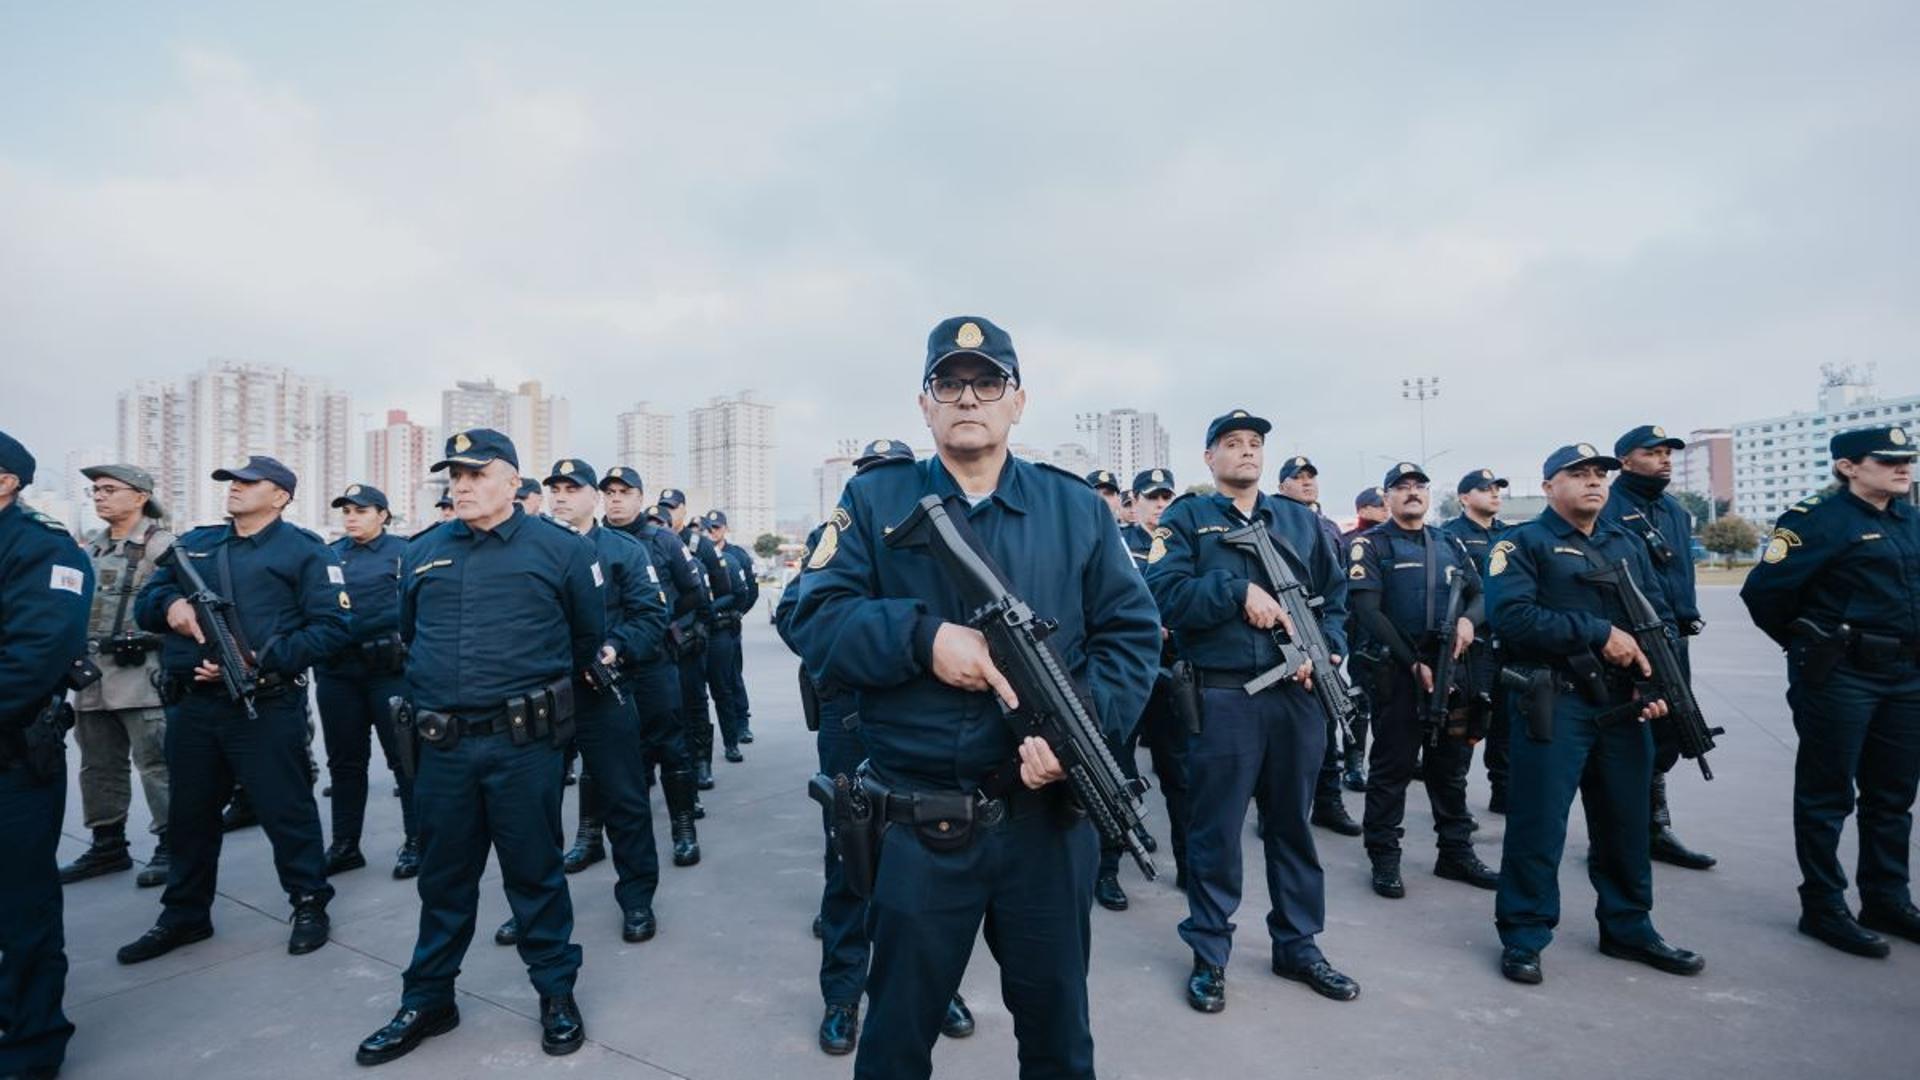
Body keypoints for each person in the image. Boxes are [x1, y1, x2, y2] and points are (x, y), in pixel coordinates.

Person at [788, 316, 1159, 1079]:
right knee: (894, 1045)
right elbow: (810, 614)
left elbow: (1133, 638)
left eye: (987, 382)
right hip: (923, 826)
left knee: (1059, 1040)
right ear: (924, 405)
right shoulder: (873, 499)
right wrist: (923, 639)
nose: (968, 398)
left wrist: (1076, 736)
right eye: (949, 383)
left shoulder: (1076, 509)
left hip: (1046, 827)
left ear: (1016, 401)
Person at [355, 429, 603, 1065]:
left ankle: (555, 993)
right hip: (442, 749)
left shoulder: (559, 550)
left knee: (535, 875)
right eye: (452, 476)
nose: (459, 485)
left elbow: (585, 639)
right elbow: (413, 634)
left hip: (523, 747)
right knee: (444, 880)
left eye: (474, 473)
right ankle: (430, 999)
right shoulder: (424, 551)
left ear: (512, 480)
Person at [1148, 410, 1361, 1014]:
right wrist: (1235, 592)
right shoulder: (1187, 519)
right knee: (1215, 830)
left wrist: (1326, 655)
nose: (1246, 453)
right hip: (1224, 695)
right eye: (1232, 445)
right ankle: (1210, 954)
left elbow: (1336, 601)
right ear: (1209, 458)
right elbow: (1162, 594)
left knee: (1293, 824)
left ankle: (1298, 944)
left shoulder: (1297, 520)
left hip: (1297, 696)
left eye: (1254, 445)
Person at [777, 438, 976, 1055]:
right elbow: (796, 616)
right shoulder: (832, 537)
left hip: (924, 724)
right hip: (852, 716)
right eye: (872, 474)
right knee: (853, 859)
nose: (883, 487)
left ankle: (937, 988)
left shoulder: (947, 540)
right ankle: (844, 991)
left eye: (893, 474)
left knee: (936, 863)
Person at [1488, 443, 1703, 986]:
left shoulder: (1623, 542)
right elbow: (1511, 619)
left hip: (1625, 706)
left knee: (1626, 824)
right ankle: (1524, 935)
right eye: (1578, 474)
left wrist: (1656, 685)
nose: (1592, 483)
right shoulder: (1521, 544)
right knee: (1539, 825)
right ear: (1547, 487)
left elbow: (1658, 623)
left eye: (1599, 475)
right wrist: (1598, 633)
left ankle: (1629, 927)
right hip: (1556, 702)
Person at [119, 455, 347, 965]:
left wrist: (256, 663)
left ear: (282, 496)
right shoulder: (194, 545)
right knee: (190, 817)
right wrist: (171, 609)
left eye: (250, 482)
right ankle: (184, 914)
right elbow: (148, 604)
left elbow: (331, 629)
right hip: (193, 707)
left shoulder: (303, 551)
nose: (236, 489)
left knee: (286, 811)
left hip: (263, 705)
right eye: (232, 481)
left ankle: (309, 902)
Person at [1740, 424, 1920, 957]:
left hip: (1905, 675)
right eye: (1887, 460)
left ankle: (1886, 897)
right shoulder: (1814, 520)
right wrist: (1810, 645)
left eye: (1906, 459)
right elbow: (1764, 594)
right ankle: (1823, 904)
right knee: (1827, 795)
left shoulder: (1908, 517)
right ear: (1847, 467)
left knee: (1892, 796)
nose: (1902, 467)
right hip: (1841, 675)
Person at [502, 458, 670, 946]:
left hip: (599, 690)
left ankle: (637, 897)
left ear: (592, 496)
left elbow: (649, 615)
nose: (560, 495)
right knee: (533, 808)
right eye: (554, 487)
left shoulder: (623, 550)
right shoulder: (525, 547)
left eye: (571, 488)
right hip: (539, 697)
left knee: (625, 797)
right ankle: (534, 909)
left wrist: (617, 647)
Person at [1347, 462, 1499, 898]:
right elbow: (1368, 612)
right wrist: (1413, 662)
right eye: (1402, 487)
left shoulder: (1448, 542)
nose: (1412, 492)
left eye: (1419, 486)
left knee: (1450, 770)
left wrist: (1470, 623)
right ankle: (1384, 857)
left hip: (1454, 671)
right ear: (1387, 497)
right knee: (1392, 770)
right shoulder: (1371, 546)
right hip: (1398, 674)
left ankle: (1455, 852)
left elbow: (1481, 593)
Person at [0, 430, 94, 1079]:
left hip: (11, 760)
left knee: (21, 906)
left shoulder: (44, 549)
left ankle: (32, 1042)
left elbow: (32, 660)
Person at [1601, 425, 1716, 871]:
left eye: (1668, 453)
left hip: (1674, 639)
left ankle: (1653, 828)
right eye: (1652, 453)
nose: (1664, 459)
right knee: (1627, 739)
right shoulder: (1609, 506)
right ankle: (1613, 834)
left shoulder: (1674, 510)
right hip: (1629, 643)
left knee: (1668, 733)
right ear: (1626, 460)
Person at [62, 463, 175, 887]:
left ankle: (172, 844)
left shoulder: (160, 545)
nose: (100, 496)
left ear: (140, 496)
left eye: (110, 489)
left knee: (157, 764)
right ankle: (107, 845)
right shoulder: (90, 547)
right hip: (92, 677)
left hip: (142, 673)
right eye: (95, 490)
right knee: (98, 765)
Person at [598, 465, 704, 861]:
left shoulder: (662, 540)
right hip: (609, 666)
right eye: (609, 493)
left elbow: (694, 592)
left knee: (671, 746)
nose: (616, 499)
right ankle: (595, 836)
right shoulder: (593, 542)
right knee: (616, 755)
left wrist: (664, 621)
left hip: (655, 663)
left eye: (624, 492)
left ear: (640, 498)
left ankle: (683, 828)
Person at [1276, 455, 1363, 839]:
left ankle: (1328, 802)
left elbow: (1336, 590)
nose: (1307, 482)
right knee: (1283, 740)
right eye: (1297, 477)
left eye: (1311, 476)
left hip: (1319, 639)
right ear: (1282, 487)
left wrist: (1334, 642)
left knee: (1327, 724)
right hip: (1283, 637)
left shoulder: (1327, 527)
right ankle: (1275, 811)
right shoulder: (1272, 520)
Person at [1126, 467, 1192, 889]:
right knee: (1115, 768)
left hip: (1172, 673)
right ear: (1134, 504)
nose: (1161, 505)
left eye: (1167, 497)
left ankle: (1189, 864)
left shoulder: (1183, 547)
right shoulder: (1117, 545)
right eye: (1153, 498)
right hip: (1128, 669)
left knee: (1180, 776)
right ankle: (1108, 867)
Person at [1442, 469, 1512, 814]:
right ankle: (1456, 805)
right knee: (1467, 724)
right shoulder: (1450, 537)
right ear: (1465, 498)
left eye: (1498, 488)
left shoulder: (1511, 536)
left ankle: (1504, 792)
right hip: (1474, 646)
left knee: (1507, 722)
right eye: (1485, 489)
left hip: (1511, 642)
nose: (1495, 494)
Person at [659, 488, 736, 782]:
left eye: (674, 507)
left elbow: (722, 588)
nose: (669, 511)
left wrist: (702, 626)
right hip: (660, 636)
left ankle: (702, 762)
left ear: (683, 510)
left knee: (694, 701)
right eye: (665, 506)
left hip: (690, 636)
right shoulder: (651, 539)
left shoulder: (698, 544)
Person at [704, 509, 759, 747]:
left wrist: (737, 613)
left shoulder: (737, 555)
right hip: (706, 626)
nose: (712, 532)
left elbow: (750, 590)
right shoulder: (698, 553)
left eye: (716, 527)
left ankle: (741, 723)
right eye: (708, 528)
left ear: (725, 528)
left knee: (733, 676)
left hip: (730, 624)